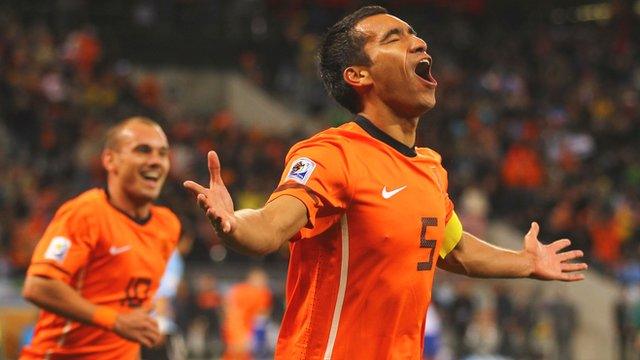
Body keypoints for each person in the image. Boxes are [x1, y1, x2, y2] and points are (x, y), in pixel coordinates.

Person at [184, 6, 587, 359]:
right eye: (396, 37)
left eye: (414, 33)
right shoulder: (331, 154)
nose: (418, 42)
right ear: (358, 75)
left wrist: (527, 262)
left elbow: (454, 248)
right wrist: (235, 225)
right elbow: (271, 225)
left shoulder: (429, 166)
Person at [21, 117, 181, 359]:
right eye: (143, 150)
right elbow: (38, 286)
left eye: (162, 153)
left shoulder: (168, 225)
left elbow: (134, 305)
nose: (155, 161)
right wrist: (114, 321)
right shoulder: (86, 213)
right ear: (110, 160)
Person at [221, 268, 272, 360]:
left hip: (242, 329)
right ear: (251, 278)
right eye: (261, 279)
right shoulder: (259, 293)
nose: (263, 282)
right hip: (238, 328)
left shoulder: (239, 289)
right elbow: (263, 315)